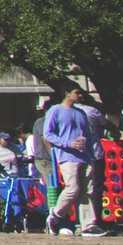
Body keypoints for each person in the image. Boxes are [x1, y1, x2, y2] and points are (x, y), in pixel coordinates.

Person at [41, 88, 97, 237]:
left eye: (81, 93)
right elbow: (48, 134)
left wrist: (92, 155)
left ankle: (88, 226)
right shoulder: (55, 110)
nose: (80, 95)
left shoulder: (81, 113)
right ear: (67, 93)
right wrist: (68, 144)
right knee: (73, 188)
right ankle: (55, 215)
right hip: (67, 156)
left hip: (85, 156)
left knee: (87, 191)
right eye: (77, 92)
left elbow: (88, 136)